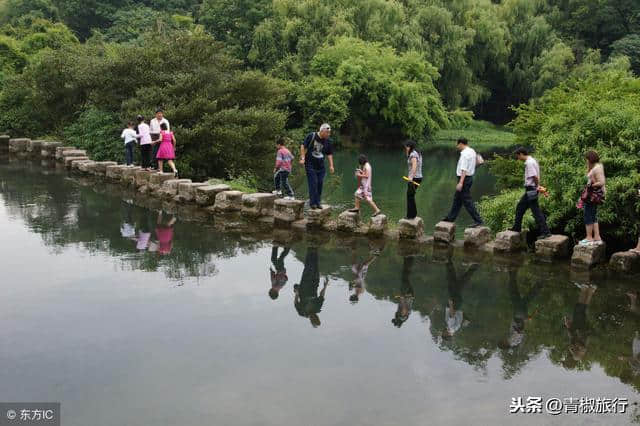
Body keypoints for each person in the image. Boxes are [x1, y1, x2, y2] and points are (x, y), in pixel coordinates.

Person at [510, 147, 552, 240]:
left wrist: (537, 186)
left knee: (536, 212)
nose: (518, 159)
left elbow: (534, 176)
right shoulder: (532, 160)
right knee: (520, 207)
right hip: (531, 189)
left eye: (518, 156)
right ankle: (517, 227)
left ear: (521, 154)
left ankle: (546, 232)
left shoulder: (529, 163)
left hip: (531, 189)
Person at [442, 138, 483, 227]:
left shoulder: (465, 154)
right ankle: (450, 217)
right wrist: (472, 168)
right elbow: (480, 161)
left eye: (457, 145)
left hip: (464, 179)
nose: (457, 147)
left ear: (461, 144)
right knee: (457, 199)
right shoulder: (472, 151)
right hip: (469, 178)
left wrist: (460, 182)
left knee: (467, 201)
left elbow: (463, 169)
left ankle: (478, 220)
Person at [299, 123, 334, 209]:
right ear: (322, 131)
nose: (328, 134)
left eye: (329, 133)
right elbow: (303, 146)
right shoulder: (312, 136)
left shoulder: (327, 141)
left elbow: (329, 154)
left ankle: (318, 202)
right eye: (327, 132)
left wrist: (331, 165)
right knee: (313, 183)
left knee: (320, 184)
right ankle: (312, 203)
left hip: (321, 167)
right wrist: (303, 158)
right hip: (310, 165)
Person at [442, 260, 478, 339]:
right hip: (454, 304)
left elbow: (462, 318)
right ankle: (448, 262)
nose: (442, 332)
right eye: (443, 334)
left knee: (458, 284)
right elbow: (452, 315)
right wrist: (451, 304)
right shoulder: (451, 327)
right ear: (446, 335)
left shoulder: (456, 328)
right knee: (452, 282)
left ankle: (473, 267)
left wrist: (465, 318)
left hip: (458, 305)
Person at [294, 247, 328, 327]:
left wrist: (297, 293)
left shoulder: (302, 312)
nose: (315, 317)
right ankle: (315, 249)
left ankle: (309, 250)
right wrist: (325, 286)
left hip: (304, 285)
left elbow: (296, 303)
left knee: (308, 267)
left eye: (314, 319)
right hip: (314, 284)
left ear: (311, 320)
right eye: (317, 318)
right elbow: (321, 295)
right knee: (315, 267)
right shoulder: (317, 308)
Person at [578, 151, 606, 245]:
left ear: (590, 159)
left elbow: (601, 182)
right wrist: (589, 168)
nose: (586, 161)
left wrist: (591, 184)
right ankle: (597, 237)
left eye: (587, 159)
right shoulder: (596, 166)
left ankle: (589, 237)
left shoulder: (597, 168)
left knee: (588, 215)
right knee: (593, 215)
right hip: (593, 195)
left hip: (593, 195)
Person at [392, 256, 415, 328]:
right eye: (395, 320)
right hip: (407, 295)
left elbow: (401, 306)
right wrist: (401, 298)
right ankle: (409, 258)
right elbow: (404, 308)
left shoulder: (401, 317)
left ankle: (408, 258)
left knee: (405, 277)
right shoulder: (402, 317)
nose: (395, 319)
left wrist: (399, 297)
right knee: (405, 277)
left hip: (407, 295)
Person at [403, 140, 423, 219]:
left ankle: (410, 215)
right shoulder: (416, 152)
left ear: (409, 147)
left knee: (410, 196)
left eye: (406, 147)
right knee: (411, 196)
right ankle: (412, 214)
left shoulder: (413, 155)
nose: (406, 148)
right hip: (418, 177)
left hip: (414, 178)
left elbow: (414, 166)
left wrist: (410, 178)